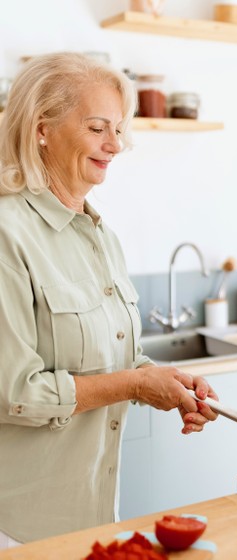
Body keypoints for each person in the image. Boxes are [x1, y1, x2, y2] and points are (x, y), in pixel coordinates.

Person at [0, 52, 218, 547]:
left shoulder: (100, 235)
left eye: (119, 129)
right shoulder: (6, 232)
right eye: (99, 127)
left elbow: (116, 360)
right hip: (18, 522)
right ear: (42, 129)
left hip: (95, 504)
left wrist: (169, 383)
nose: (116, 145)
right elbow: (16, 392)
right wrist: (136, 385)